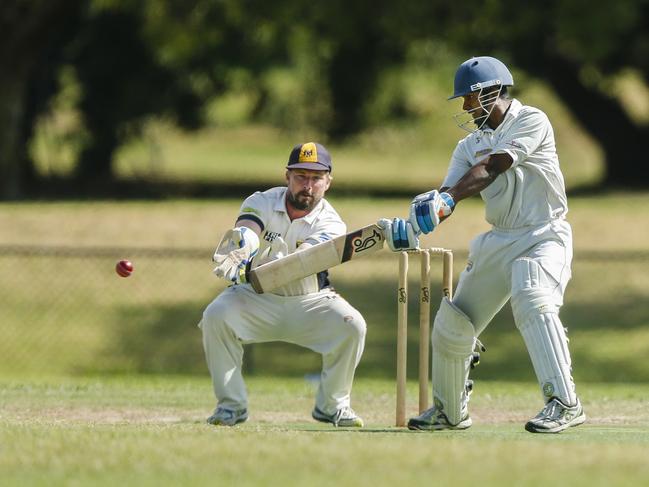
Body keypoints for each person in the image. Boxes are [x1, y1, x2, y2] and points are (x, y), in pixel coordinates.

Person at [381, 56, 585, 434]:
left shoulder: (531, 120)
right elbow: (448, 194)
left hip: (544, 234)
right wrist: (416, 221)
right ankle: (449, 412)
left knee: (532, 295)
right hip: (500, 238)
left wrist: (450, 196)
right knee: (452, 324)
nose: (464, 107)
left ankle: (564, 402)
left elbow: (492, 168)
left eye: (468, 99)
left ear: (491, 93)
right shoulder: (467, 145)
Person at [199, 142, 366, 428]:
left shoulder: (333, 223)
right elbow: (249, 227)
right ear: (287, 176)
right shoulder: (262, 200)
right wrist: (242, 245)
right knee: (216, 316)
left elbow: (303, 262)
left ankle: (332, 405)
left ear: (328, 182)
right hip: (256, 298)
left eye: (316, 178)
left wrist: (267, 265)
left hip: (310, 301)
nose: (308, 185)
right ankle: (231, 407)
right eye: (301, 176)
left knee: (352, 325)